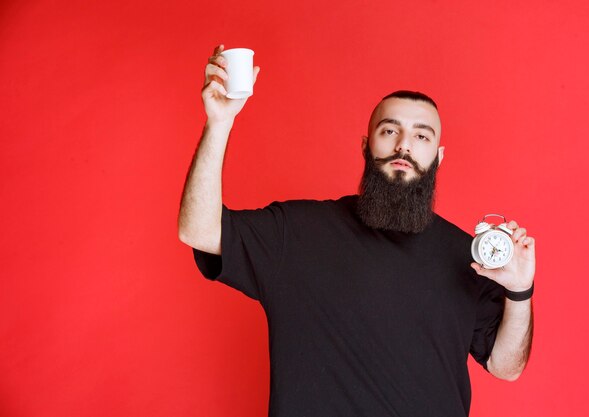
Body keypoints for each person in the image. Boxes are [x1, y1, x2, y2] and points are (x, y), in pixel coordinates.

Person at [178, 44, 535, 417]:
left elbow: (505, 366)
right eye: (389, 130)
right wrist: (219, 122)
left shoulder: (468, 257)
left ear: (438, 157)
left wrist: (520, 290)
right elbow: (198, 231)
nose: (403, 146)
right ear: (366, 145)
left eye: (422, 136)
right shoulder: (298, 233)